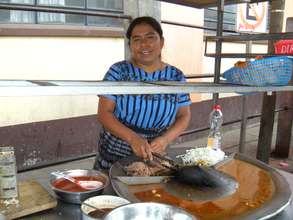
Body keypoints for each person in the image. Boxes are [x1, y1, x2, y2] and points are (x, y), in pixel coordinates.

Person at [94, 16, 191, 170]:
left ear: (162, 42)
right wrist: (133, 138)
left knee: (149, 190)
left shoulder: (176, 76)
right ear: (130, 45)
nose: (144, 44)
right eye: (137, 39)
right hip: (115, 152)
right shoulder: (118, 72)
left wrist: (165, 140)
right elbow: (104, 113)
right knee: (112, 189)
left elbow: (183, 115)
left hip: (155, 153)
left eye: (150, 37)